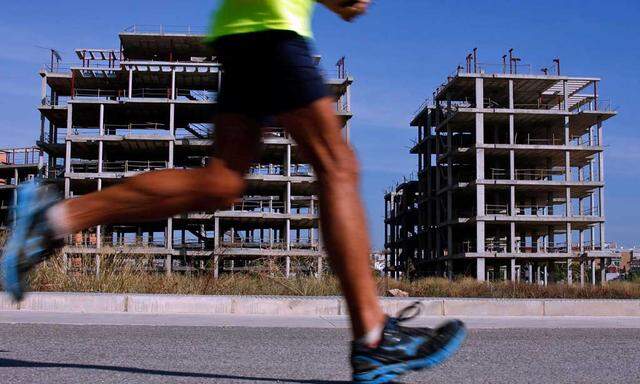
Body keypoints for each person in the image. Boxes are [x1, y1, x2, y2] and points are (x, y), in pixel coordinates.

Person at [1, 1, 466, 382]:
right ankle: (372, 339)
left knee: (221, 182)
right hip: (269, 28)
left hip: (245, 29)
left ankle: (56, 218)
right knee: (337, 164)